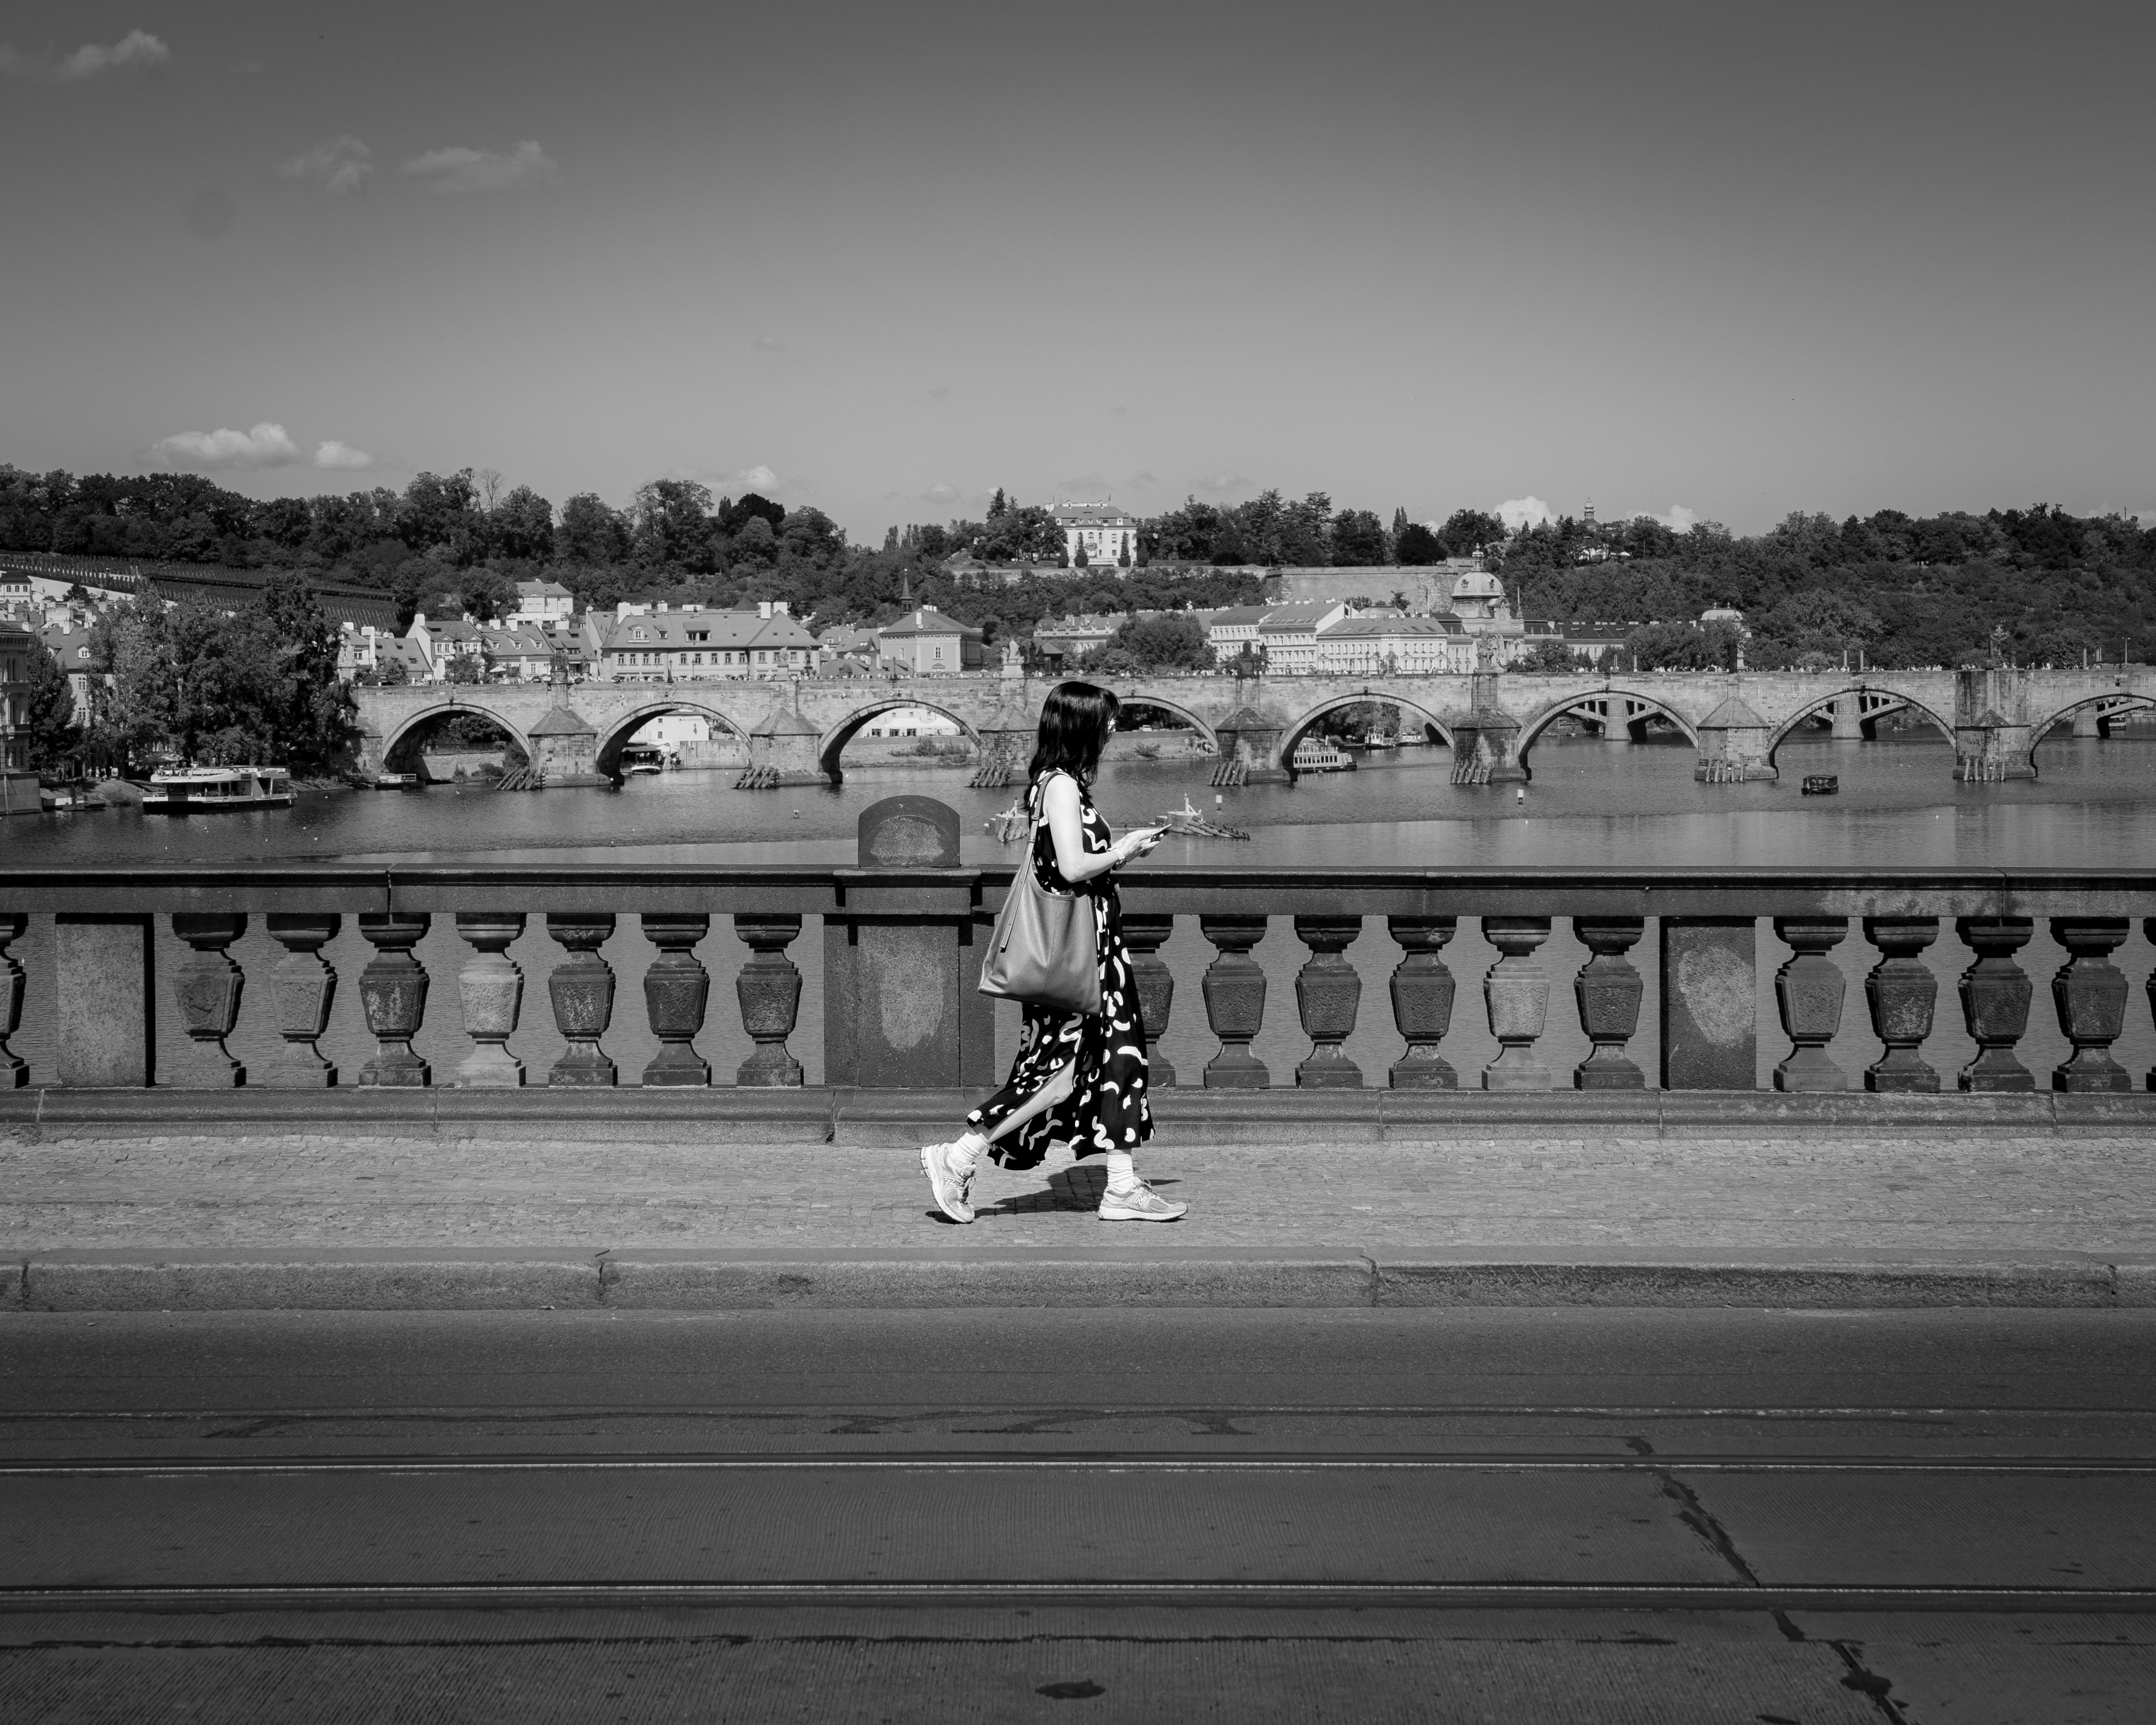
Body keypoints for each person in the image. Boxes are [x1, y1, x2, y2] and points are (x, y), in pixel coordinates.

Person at [920, 681, 1184, 1225]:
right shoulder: (1060, 786)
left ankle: (1122, 1185)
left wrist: (1120, 855)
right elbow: (1069, 869)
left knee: (1120, 1061)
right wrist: (1123, 848)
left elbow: (1073, 868)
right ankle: (959, 1155)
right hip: (1078, 956)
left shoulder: (1059, 786)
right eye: (1107, 720)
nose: (1113, 729)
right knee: (1054, 1073)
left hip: (1095, 949)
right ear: (1081, 725)